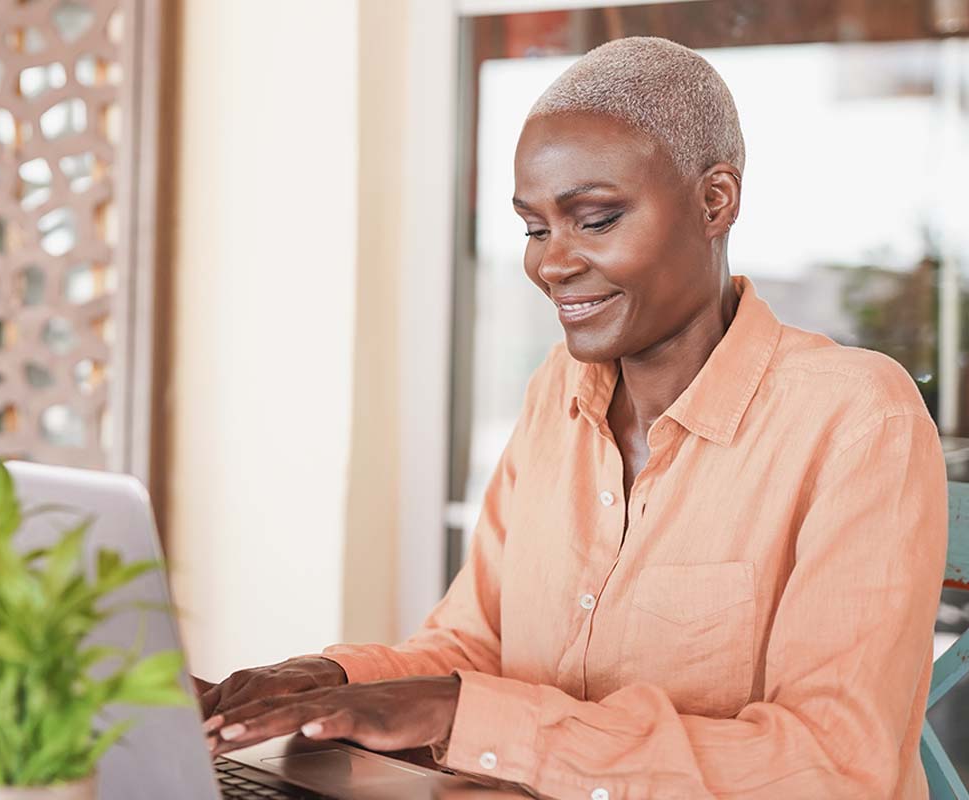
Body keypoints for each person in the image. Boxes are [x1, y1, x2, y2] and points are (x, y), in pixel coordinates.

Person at [196, 37, 947, 799]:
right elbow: (475, 644)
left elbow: (834, 764)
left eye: (595, 219)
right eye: (533, 228)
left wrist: (461, 714)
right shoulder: (559, 392)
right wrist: (324, 685)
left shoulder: (856, 420)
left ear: (715, 201)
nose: (551, 263)